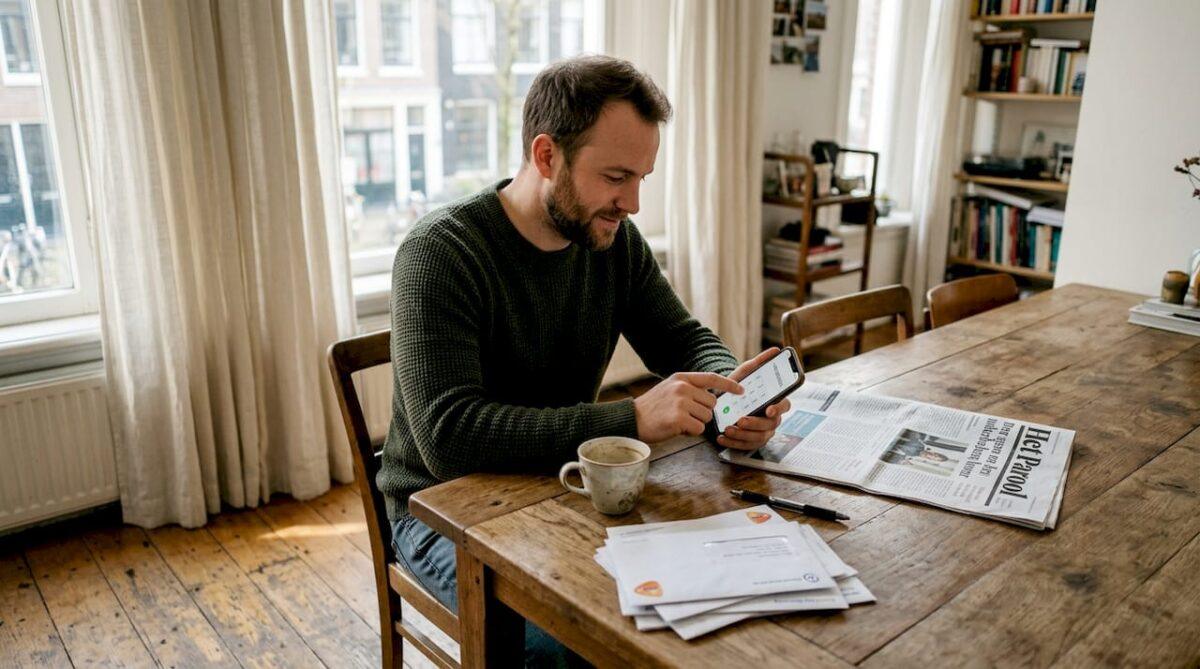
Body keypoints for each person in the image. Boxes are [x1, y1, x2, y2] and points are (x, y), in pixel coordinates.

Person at [379, 55, 790, 666]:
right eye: (617, 176)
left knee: (698, 618)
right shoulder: (440, 253)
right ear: (547, 157)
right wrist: (630, 419)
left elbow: (682, 337)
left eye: (642, 178)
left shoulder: (612, 241)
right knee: (570, 649)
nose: (633, 203)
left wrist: (732, 393)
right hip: (440, 508)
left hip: (564, 485)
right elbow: (449, 437)